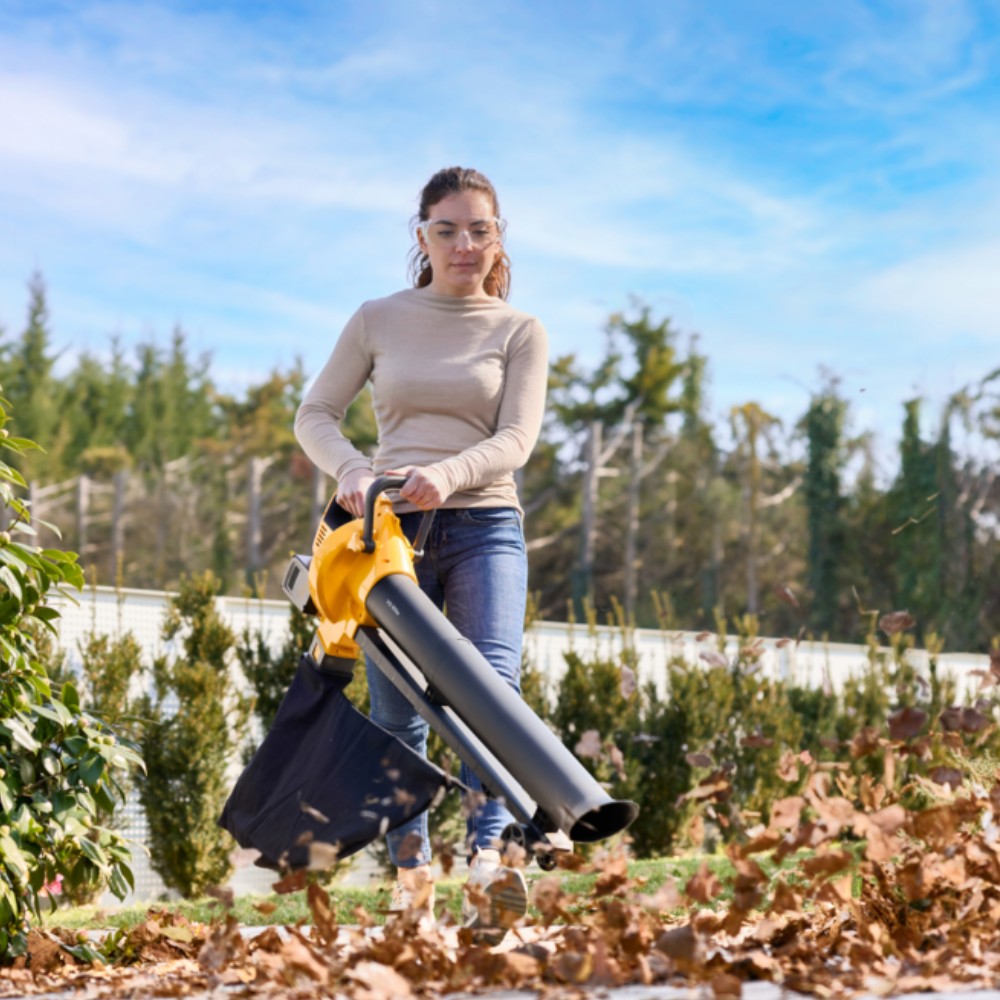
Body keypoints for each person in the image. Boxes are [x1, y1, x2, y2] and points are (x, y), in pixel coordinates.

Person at [294, 166, 548, 933]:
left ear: (498, 237)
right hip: (387, 537)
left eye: (480, 229)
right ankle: (411, 875)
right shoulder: (379, 318)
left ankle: (489, 863)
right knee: (398, 712)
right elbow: (316, 413)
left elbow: (517, 439)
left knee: (489, 691)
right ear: (422, 237)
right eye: (448, 229)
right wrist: (355, 471)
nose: (464, 243)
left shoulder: (519, 330)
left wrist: (448, 474)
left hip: (483, 526)